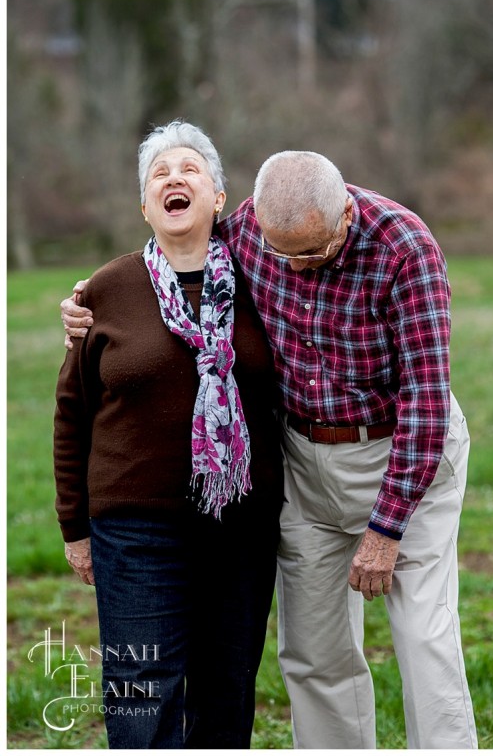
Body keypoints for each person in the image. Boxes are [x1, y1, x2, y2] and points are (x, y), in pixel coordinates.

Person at [63, 150, 477, 750]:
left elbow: (426, 402)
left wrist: (385, 534)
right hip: (304, 458)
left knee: (424, 638)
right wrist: (85, 302)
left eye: (314, 251)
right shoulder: (248, 232)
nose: (300, 266)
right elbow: (172, 254)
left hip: (402, 450)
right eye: (285, 254)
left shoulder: (403, 247)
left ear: (345, 215)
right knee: (313, 651)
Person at [53, 121, 283, 748]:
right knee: (140, 686)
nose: (173, 178)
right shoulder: (106, 291)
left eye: (190, 169)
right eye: (159, 173)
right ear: (146, 205)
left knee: (226, 685)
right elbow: (71, 411)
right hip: (135, 529)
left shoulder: (262, 287)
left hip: (239, 521)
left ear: (219, 200)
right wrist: (74, 527)